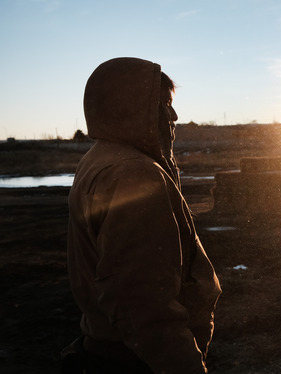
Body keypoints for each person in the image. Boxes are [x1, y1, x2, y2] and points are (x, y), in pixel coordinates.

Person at [62, 57, 222, 374]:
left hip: (112, 348)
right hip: (137, 360)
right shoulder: (135, 174)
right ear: (135, 108)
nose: (174, 116)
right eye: (164, 104)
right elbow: (142, 304)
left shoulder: (99, 159)